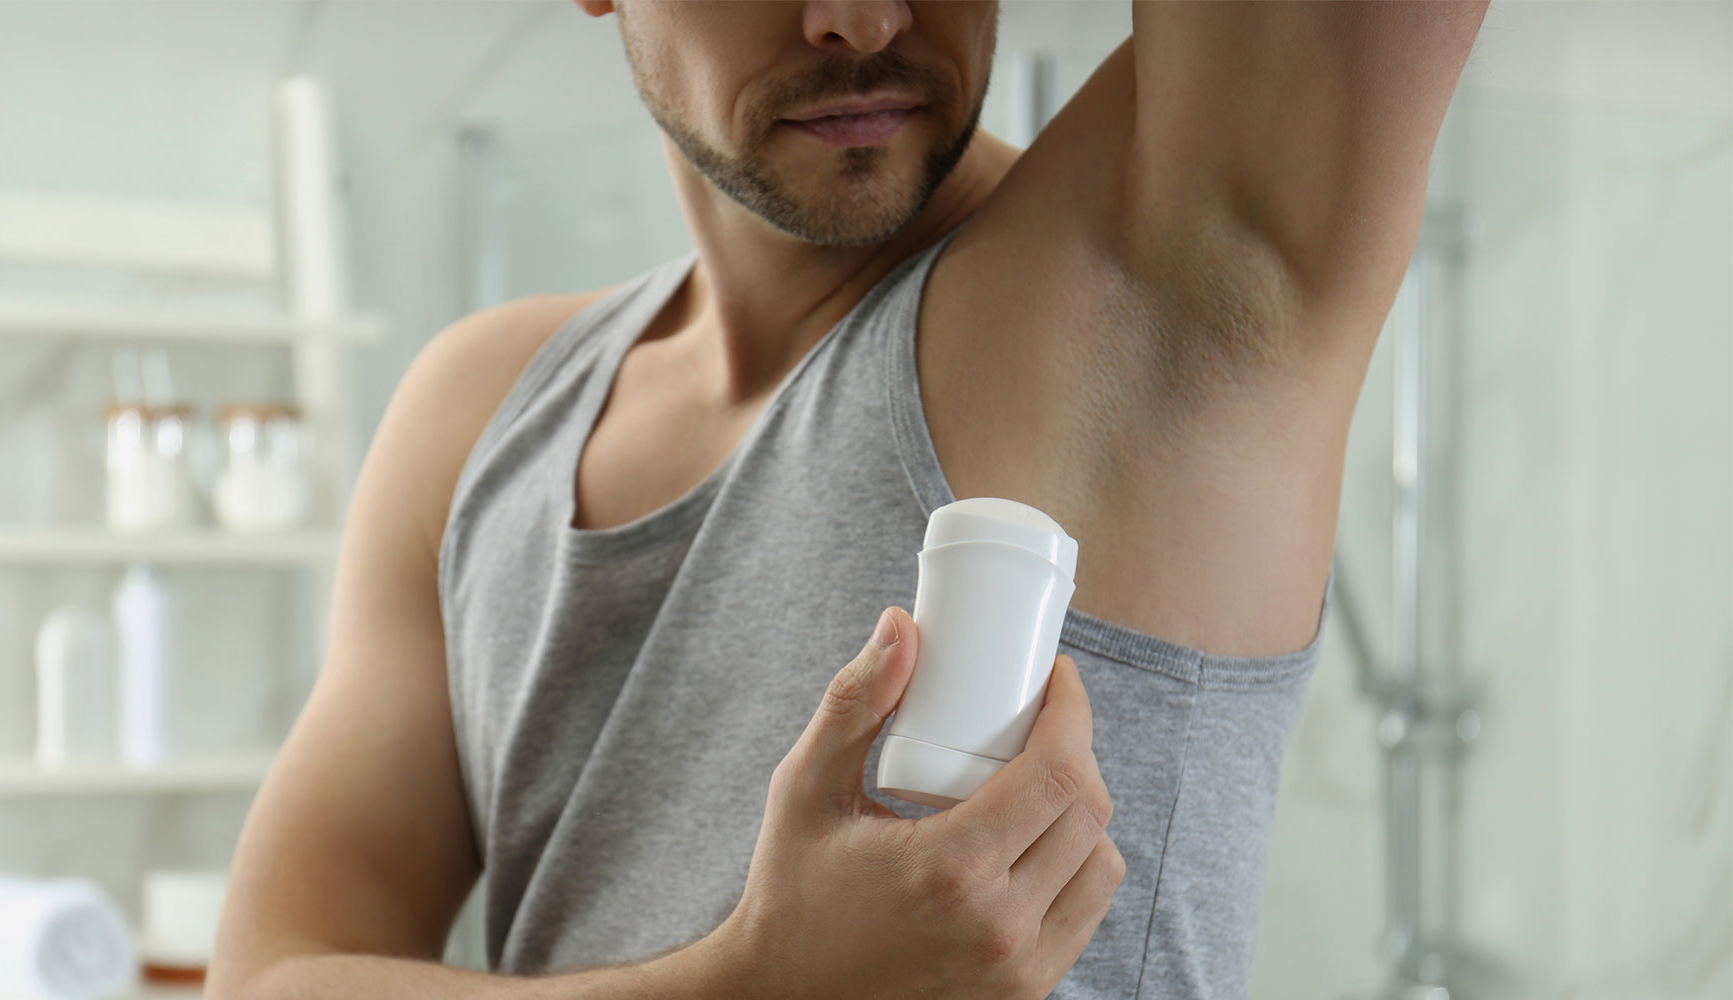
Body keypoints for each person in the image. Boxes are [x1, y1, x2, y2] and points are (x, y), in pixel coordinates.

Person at [208, 3, 1488, 998]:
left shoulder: (1153, 289)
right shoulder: (482, 412)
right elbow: (269, 973)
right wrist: (755, 983)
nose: (863, 21)